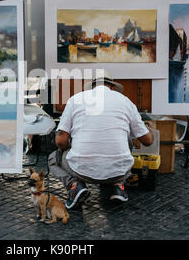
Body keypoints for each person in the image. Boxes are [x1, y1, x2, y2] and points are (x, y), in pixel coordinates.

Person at [48, 71, 154, 209]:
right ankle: (118, 186)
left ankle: (75, 186)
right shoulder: (126, 101)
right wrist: (148, 128)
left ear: (92, 86)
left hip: (81, 171)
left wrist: (68, 148)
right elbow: (147, 141)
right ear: (112, 87)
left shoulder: (75, 99)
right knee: (126, 138)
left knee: (52, 159)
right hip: (118, 171)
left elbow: (60, 141)